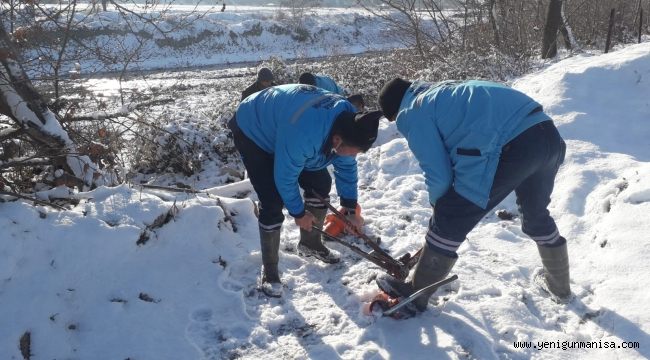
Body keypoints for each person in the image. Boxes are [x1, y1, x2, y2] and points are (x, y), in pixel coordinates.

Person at [376, 78, 570, 316]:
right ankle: (559, 287)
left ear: (396, 109)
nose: (399, 124)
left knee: (450, 215)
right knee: (536, 213)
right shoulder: (446, 90)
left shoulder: (413, 110)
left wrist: (439, 210)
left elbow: (438, 175)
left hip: (512, 145)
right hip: (548, 135)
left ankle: (414, 297)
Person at [229, 84, 382, 298]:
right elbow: (285, 178)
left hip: (288, 126)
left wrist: (349, 208)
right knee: (272, 200)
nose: (352, 156)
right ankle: (270, 270)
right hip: (254, 128)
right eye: (352, 151)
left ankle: (310, 244)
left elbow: (346, 166)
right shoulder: (305, 135)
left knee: (320, 184)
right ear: (337, 140)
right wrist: (298, 213)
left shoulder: (348, 122)